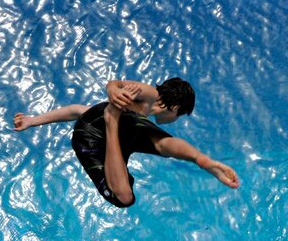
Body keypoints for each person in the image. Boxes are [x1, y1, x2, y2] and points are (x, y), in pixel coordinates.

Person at [13, 78, 240, 208]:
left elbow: (78, 111)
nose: (175, 120)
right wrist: (113, 93)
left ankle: (201, 160)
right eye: (178, 116)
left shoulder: (143, 106)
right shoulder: (152, 95)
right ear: (175, 108)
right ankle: (113, 121)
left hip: (96, 121)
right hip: (94, 135)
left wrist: (33, 121)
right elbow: (116, 84)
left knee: (156, 141)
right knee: (124, 197)